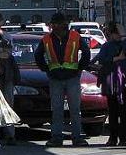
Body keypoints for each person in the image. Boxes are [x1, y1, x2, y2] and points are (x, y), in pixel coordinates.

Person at [34, 11, 91, 147]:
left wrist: (79, 68)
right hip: (56, 78)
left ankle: (76, 137)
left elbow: (86, 53)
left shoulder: (75, 36)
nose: (55, 27)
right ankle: (57, 137)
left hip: (71, 77)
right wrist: (46, 69)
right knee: (57, 109)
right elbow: (38, 55)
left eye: (56, 24)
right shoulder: (46, 39)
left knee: (74, 109)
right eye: (54, 25)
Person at [96, 22, 126, 147]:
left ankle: (124, 138)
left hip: (125, 81)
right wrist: (116, 58)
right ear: (111, 34)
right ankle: (113, 137)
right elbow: (101, 59)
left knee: (125, 111)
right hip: (112, 80)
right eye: (116, 33)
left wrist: (123, 37)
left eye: (120, 33)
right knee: (113, 111)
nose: (118, 35)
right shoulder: (107, 46)